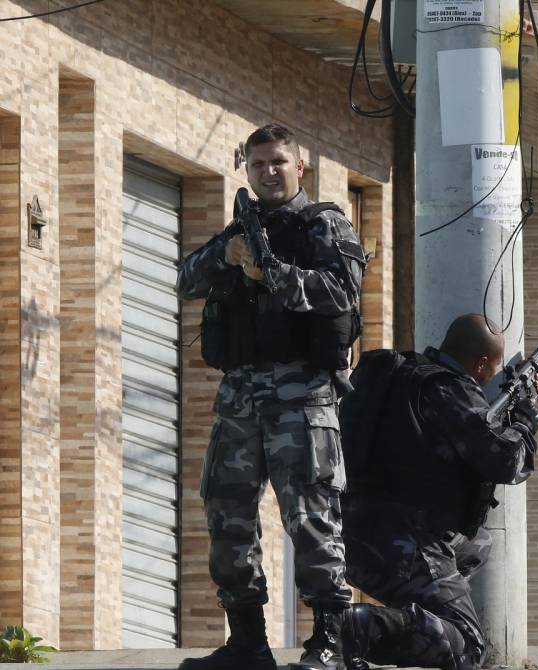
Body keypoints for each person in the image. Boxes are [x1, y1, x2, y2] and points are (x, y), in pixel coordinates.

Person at [177, 123, 367, 670]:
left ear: (299, 166)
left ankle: (330, 641)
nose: (269, 172)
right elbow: (185, 280)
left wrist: (273, 273)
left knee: (310, 514)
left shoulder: (326, 225)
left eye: (279, 162)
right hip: (239, 394)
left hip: (303, 396)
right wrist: (229, 257)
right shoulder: (243, 226)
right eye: (258, 165)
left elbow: (341, 292)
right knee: (226, 508)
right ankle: (247, 642)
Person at [339, 314, 538, 670]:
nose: (491, 377)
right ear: (481, 363)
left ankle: (418, 616)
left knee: (477, 542)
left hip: (351, 535)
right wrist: (527, 417)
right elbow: (506, 461)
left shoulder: (401, 377)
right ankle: (364, 626)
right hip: (403, 545)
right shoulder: (448, 391)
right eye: (492, 368)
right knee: (467, 646)